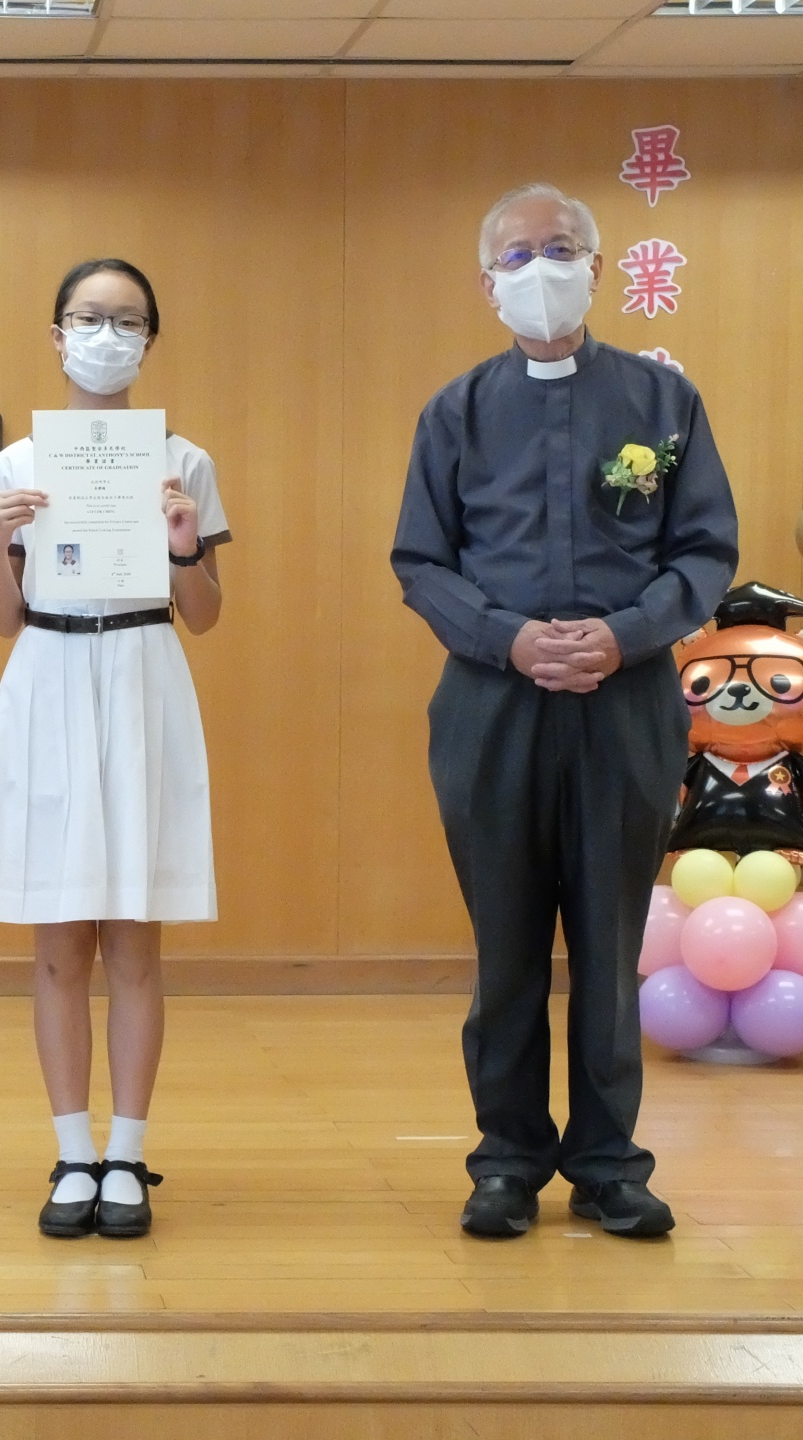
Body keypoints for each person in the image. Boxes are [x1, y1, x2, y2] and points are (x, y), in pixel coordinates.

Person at [392, 182, 737, 1241]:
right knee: (506, 949)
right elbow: (420, 560)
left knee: (609, 941)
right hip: (491, 706)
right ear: (486, 281)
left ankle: (607, 1163)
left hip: (626, 704)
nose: (538, 269)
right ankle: (506, 1160)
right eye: (516, 254)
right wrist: (509, 637)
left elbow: (704, 551)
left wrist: (624, 633)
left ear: (597, 265)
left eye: (559, 248)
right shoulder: (455, 411)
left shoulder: (664, 403)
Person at [0, 258, 230, 1240]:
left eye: (125, 320)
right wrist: (1, 541)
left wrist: (183, 543)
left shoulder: (184, 460)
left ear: (150, 339)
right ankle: (72, 1151)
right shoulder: (18, 463)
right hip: (49, 679)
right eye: (88, 317)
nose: (105, 335)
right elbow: (1, 617)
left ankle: (127, 1152)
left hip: (142, 678)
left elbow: (204, 614)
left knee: (135, 939)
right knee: (57, 944)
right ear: (56, 334)